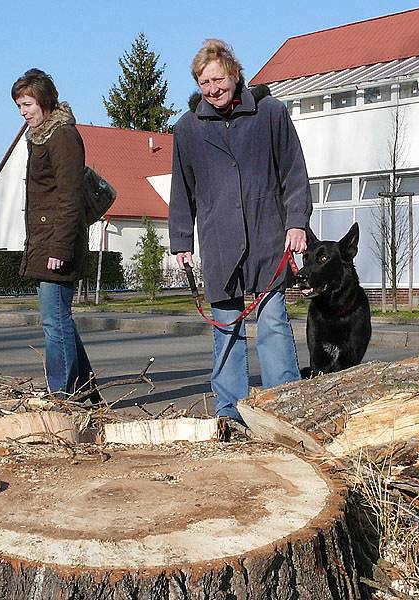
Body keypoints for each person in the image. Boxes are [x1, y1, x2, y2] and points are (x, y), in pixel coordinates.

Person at [168, 39, 312, 436]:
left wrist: (296, 222)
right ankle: (229, 413)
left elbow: (294, 174)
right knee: (226, 326)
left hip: (268, 235)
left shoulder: (271, 113)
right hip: (218, 239)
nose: (212, 89)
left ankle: (287, 406)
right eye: (203, 82)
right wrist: (181, 240)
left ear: (234, 73)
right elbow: (182, 189)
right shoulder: (187, 128)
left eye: (217, 79)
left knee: (272, 324)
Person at [11, 68, 97, 398]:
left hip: (56, 245)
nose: (23, 111)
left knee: (54, 322)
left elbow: (70, 196)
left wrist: (59, 249)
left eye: (28, 103)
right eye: (19, 105)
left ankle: (62, 394)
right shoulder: (41, 137)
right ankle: (86, 392)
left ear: (45, 100)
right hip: (45, 242)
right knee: (60, 321)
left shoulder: (62, 136)